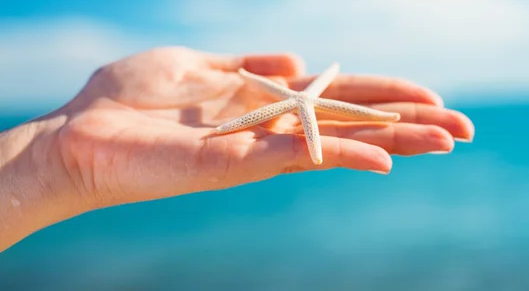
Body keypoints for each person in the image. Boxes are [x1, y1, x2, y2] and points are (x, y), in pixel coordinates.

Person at [0, 47, 474, 252]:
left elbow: (294, 98)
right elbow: (265, 97)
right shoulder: (299, 100)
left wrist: (55, 159)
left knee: (382, 118)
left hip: (292, 99)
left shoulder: (300, 101)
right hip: (288, 100)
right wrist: (56, 158)